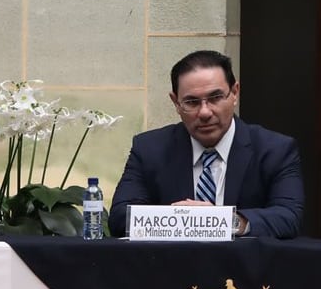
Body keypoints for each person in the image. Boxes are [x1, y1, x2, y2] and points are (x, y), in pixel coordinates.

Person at [109, 50, 304, 239]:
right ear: (176, 103)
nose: (204, 112)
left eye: (215, 98)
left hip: (243, 269)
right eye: (192, 102)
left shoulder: (275, 149)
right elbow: (120, 218)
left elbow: (288, 218)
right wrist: (182, 221)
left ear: (234, 93)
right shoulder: (150, 149)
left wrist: (220, 221)